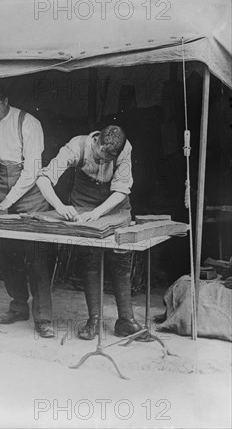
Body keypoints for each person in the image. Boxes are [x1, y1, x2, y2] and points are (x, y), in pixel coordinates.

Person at [36, 125, 142, 339]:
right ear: (95, 142)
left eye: (107, 161)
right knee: (90, 260)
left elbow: (121, 189)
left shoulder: (124, 148)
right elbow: (43, 178)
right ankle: (94, 320)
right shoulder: (77, 146)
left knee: (121, 261)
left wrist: (99, 212)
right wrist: (59, 206)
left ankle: (126, 321)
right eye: (99, 157)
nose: (102, 163)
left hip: (114, 205)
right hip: (83, 203)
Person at [0, 86, 54, 338]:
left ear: (6, 101)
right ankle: (18, 305)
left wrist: (7, 201)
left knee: (37, 251)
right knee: (6, 249)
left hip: (29, 188)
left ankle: (43, 317)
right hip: (0, 183)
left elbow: (32, 172)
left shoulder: (29, 123)